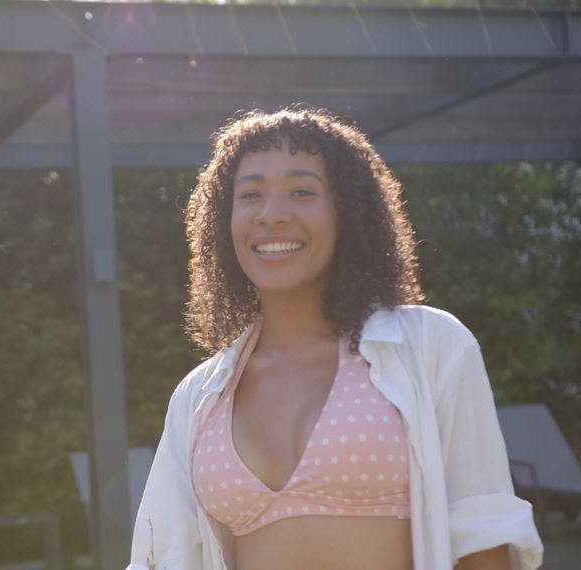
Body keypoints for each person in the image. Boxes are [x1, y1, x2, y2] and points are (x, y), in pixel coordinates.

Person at [127, 107, 543, 570]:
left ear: (348, 212)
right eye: (250, 195)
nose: (271, 215)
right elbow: (159, 556)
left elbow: (482, 530)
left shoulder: (430, 345)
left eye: (302, 191)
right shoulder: (198, 397)